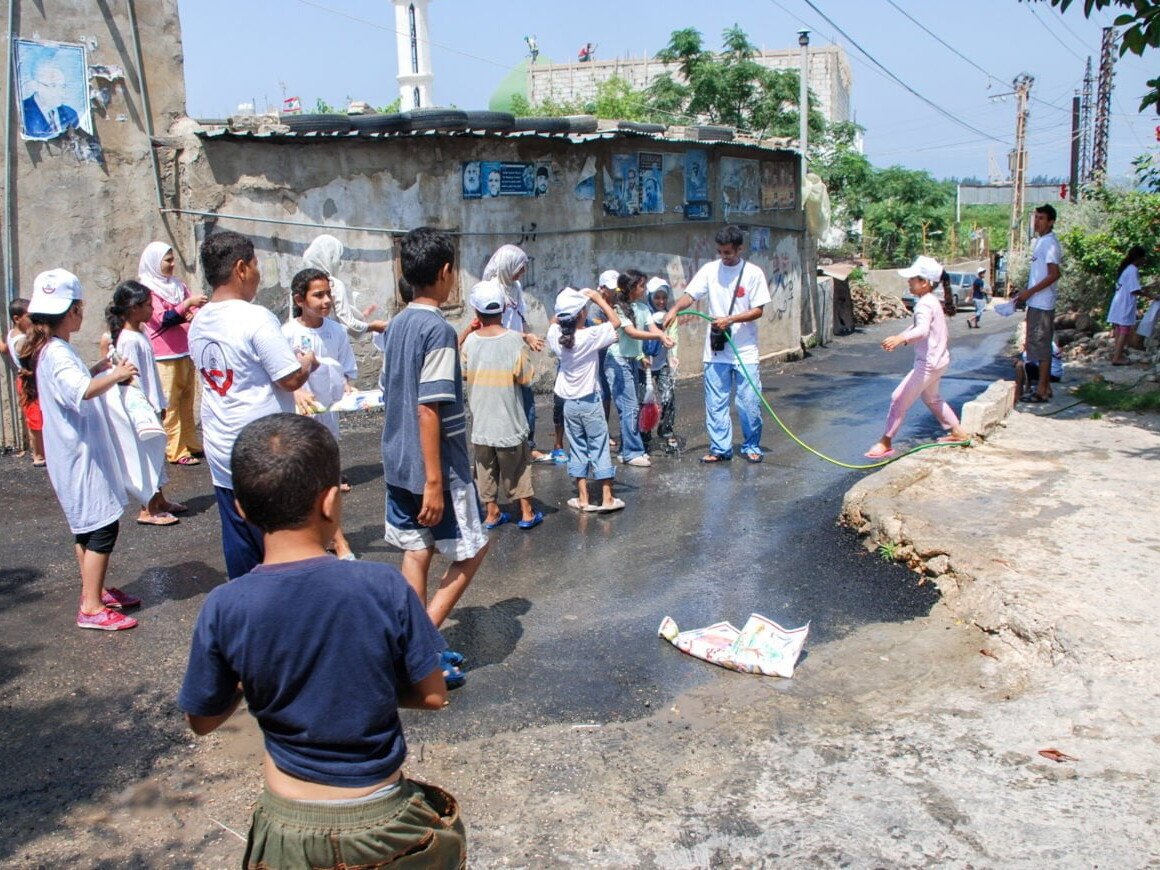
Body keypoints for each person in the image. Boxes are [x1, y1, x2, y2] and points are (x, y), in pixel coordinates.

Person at [177, 413, 465, 869]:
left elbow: (203, 721)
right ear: (330, 501)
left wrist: (254, 681)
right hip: (384, 818)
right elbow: (432, 696)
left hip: (288, 829)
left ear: (241, 509)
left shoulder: (225, 606)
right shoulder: (383, 587)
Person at [380, 227, 489, 688]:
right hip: (435, 468)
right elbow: (429, 406)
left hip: (397, 460)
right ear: (445, 273)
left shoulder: (399, 324)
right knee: (473, 549)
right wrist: (434, 481)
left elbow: (394, 395)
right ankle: (421, 650)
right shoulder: (438, 330)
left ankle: (406, 646)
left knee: (416, 549)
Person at [189, 230, 318, 580]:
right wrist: (307, 361)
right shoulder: (255, 317)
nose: (259, 273)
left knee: (237, 536)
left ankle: (245, 608)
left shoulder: (199, 320)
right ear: (242, 268)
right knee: (279, 542)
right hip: (262, 452)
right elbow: (289, 379)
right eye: (257, 265)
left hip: (220, 445)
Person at [22, 269, 141, 630]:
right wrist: (117, 375)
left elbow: (76, 382)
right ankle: (90, 607)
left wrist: (101, 366)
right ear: (73, 311)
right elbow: (81, 391)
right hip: (80, 456)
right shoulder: (56, 353)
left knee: (87, 527)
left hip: (75, 453)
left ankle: (96, 590)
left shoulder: (54, 349)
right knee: (102, 528)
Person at [664, 225, 771, 464]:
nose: (724, 257)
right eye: (720, 252)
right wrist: (674, 309)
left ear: (740, 249)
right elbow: (691, 295)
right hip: (715, 350)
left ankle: (751, 444)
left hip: (745, 351)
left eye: (729, 252)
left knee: (748, 402)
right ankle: (720, 448)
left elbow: (758, 310)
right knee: (716, 403)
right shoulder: (710, 270)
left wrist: (730, 319)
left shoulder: (753, 273)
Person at [283, 267, 359, 559]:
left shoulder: (336, 331)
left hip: (328, 418)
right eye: (319, 295)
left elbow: (346, 370)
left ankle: (320, 537)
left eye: (329, 293)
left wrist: (349, 389)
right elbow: (281, 376)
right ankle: (339, 543)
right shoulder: (288, 333)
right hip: (301, 420)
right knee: (314, 480)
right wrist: (297, 390)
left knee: (324, 482)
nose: (326, 300)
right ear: (300, 299)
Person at [865, 256, 970, 460]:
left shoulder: (924, 304)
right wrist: (900, 336)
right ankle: (958, 432)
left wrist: (901, 339)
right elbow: (920, 327)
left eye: (912, 279)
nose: (909, 282)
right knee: (931, 397)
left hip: (929, 363)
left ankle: (885, 441)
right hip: (939, 360)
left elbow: (921, 330)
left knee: (898, 398)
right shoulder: (930, 301)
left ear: (924, 283)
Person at [459, 281, 541, 531]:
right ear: (505, 308)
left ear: (476, 313)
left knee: (485, 469)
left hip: (482, 422)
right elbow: (527, 378)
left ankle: (492, 514)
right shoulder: (515, 341)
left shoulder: (470, 342)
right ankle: (526, 513)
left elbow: (464, 373)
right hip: (509, 421)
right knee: (517, 467)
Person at [105, 280, 187, 526]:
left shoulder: (138, 334)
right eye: (148, 305)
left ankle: (159, 500)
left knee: (156, 454)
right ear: (132, 308)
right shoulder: (128, 339)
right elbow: (131, 377)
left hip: (151, 402)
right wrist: (148, 406)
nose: (153, 310)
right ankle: (147, 509)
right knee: (146, 456)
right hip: (141, 405)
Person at [547, 287, 624, 512]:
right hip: (590, 401)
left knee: (578, 447)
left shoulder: (556, 337)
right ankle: (607, 498)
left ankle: (583, 499)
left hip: (569, 405)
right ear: (582, 314)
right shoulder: (589, 336)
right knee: (599, 446)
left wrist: (564, 304)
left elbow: (554, 322)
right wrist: (598, 298)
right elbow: (616, 322)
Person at [139, 241, 208, 466]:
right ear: (154, 263)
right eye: (167, 260)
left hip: (184, 350)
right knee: (171, 404)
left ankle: (191, 443)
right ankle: (175, 449)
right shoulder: (149, 290)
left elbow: (191, 311)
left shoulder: (176, 285)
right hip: (164, 356)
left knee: (187, 400)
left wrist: (191, 310)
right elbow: (163, 320)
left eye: (172, 259)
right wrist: (186, 305)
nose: (172, 264)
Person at [482, 245, 549, 461]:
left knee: (527, 400)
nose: (522, 272)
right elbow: (494, 327)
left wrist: (529, 336)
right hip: (498, 353)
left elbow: (520, 317)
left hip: (518, 350)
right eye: (519, 268)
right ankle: (501, 449)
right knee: (502, 402)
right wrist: (525, 337)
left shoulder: (515, 287)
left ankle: (528, 446)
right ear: (507, 266)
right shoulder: (491, 289)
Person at [604, 269, 671, 467]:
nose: (644, 288)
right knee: (630, 407)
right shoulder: (618, 308)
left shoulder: (642, 308)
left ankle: (627, 450)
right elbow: (632, 333)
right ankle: (633, 452)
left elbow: (652, 329)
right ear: (632, 287)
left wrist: (661, 337)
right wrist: (658, 336)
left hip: (631, 360)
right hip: (617, 361)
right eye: (642, 285)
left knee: (629, 408)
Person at [1011, 205, 1062, 403]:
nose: (1037, 221)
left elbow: (1054, 274)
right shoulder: (1040, 242)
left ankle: (1041, 389)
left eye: (1041, 218)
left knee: (1041, 348)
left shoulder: (1050, 244)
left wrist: (1030, 292)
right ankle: (1045, 386)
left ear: (1050, 221)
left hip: (1042, 303)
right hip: (1036, 301)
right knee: (1036, 346)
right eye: (1036, 217)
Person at [302, 234, 387, 340]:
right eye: (337, 258)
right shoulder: (333, 284)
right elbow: (348, 323)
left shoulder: (300, 284)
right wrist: (373, 326)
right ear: (330, 258)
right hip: (329, 343)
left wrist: (358, 315)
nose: (339, 263)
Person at [641, 277, 680, 453]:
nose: (661, 301)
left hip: (662, 364)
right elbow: (636, 338)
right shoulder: (642, 314)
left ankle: (666, 432)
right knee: (643, 401)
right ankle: (644, 435)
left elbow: (674, 336)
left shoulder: (670, 316)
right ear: (649, 297)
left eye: (664, 297)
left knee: (668, 398)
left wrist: (674, 356)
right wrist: (640, 356)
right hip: (644, 366)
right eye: (657, 297)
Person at [7, 298, 46, 466]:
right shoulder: (22, 341)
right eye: (30, 316)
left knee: (35, 418)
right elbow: (32, 361)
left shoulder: (12, 334)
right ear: (17, 319)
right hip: (29, 381)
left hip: (25, 379)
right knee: (36, 420)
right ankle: (38, 456)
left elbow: (4, 348)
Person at [1108, 245, 1150, 365]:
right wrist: (1151, 296)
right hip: (1125, 304)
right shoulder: (1133, 270)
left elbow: (1130, 286)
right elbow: (1134, 290)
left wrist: (1144, 289)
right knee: (1124, 330)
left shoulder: (1126, 269)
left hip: (1119, 302)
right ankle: (1117, 357)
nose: (1144, 261)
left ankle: (1117, 354)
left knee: (1118, 329)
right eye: (1143, 258)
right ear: (1138, 258)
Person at [21, 56, 81, 139]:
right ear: (36, 85)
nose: (60, 92)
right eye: (53, 85)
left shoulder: (71, 114)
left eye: (62, 86)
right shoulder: (22, 111)